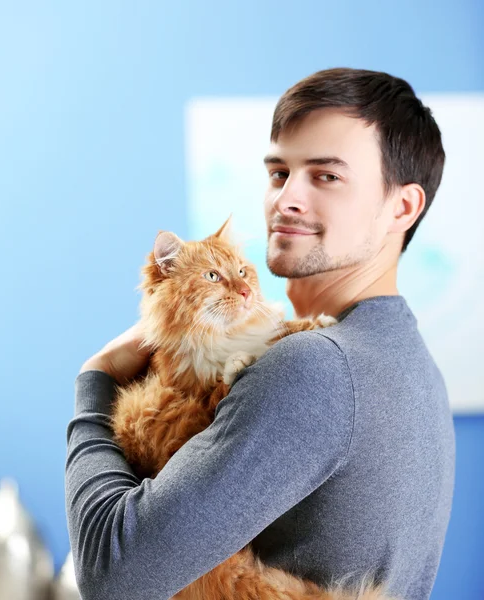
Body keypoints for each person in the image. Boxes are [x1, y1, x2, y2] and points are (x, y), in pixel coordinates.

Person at [65, 68, 455, 600]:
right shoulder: (411, 363)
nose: (285, 201)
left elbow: (111, 574)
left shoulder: (313, 367)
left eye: (327, 177)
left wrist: (96, 381)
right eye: (278, 173)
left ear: (402, 207)